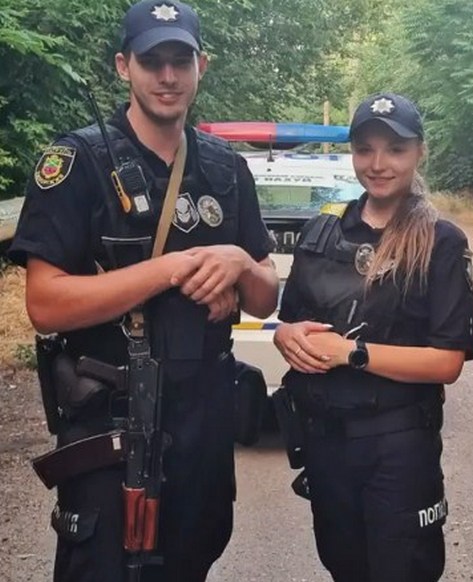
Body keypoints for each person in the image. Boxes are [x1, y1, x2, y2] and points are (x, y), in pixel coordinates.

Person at [7, 1, 279, 580]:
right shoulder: (78, 163)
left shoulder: (226, 169)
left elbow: (265, 298)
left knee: (190, 560)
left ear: (202, 65)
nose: (168, 76)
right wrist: (169, 271)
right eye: (153, 61)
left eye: (181, 60)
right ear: (122, 66)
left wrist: (238, 263)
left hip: (203, 424)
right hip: (111, 426)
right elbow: (45, 304)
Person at [272, 92, 473, 582]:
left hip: (398, 445)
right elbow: (290, 322)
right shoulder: (322, 232)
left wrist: (352, 353)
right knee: (344, 567)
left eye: (395, 149)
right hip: (326, 444)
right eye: (365, 149)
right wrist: (285, 337)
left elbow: (447, 362)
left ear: (419, 152)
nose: (378, 163)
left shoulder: (441, 241)